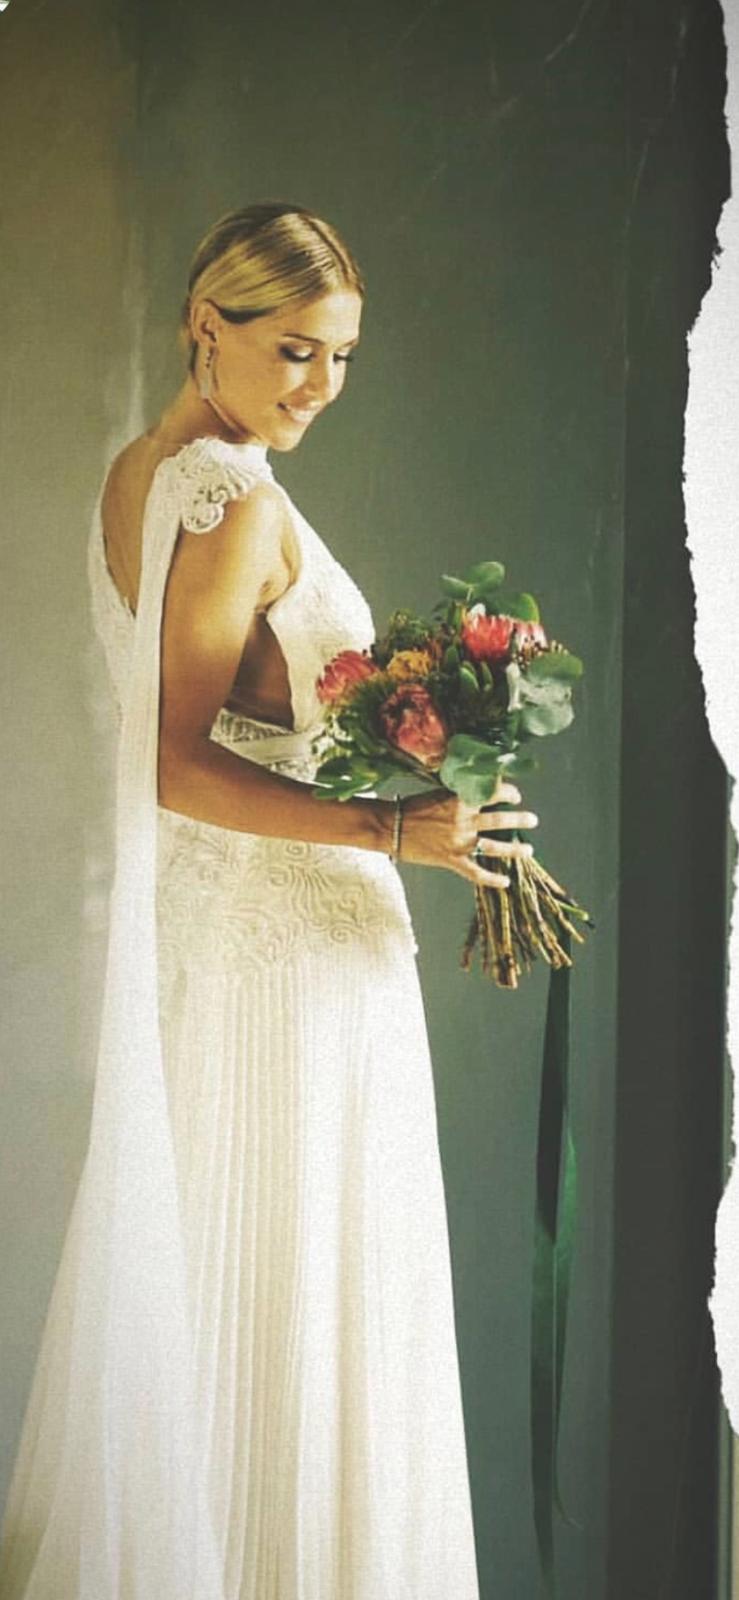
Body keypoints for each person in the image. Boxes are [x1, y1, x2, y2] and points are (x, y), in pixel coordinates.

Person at [0, 202, 537, 1600]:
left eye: (342, 355)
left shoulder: (145, 472)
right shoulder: (228, 499)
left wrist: (416, 752)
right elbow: (174, 764)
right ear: (207, 328)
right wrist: (394, 826)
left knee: (247, 1281)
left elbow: (235, 729)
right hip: (288, 964)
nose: (322, 385)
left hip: (240, 951)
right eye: (296, 349)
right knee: (292, 1286)